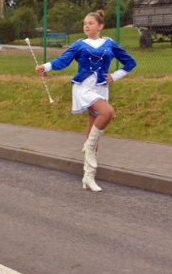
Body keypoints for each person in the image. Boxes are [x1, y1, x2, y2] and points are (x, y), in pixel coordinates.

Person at [35, 10, 136, 192]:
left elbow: (130, 63)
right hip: (83, 87)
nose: (86, 26)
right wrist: (46, 66)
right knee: (108, 113)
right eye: (84, 23)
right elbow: (63, 61)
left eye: (90, 23)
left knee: (94, 132)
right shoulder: (79, 44)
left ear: (100, 26)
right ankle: (88, 145)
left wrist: (115, 76)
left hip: (101, 87)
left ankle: (88, 177)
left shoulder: (110, 44)